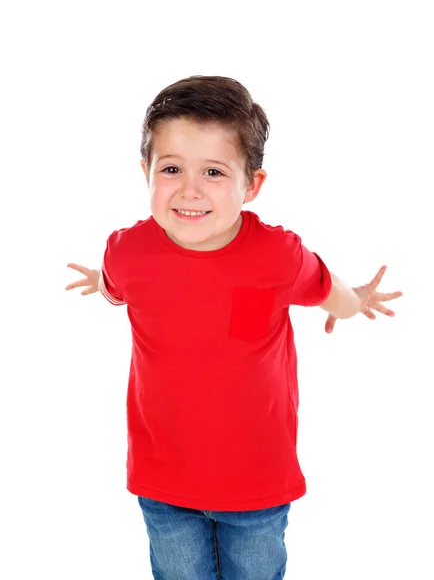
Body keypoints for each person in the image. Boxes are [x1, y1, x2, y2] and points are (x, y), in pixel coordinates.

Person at [65, 75, 403, 580]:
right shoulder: (127, 251)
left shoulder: (278, 255)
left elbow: (327, 287)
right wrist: (103, 282)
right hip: (164, 480)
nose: (190, 190)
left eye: (214, 172)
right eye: (172, 168)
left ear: (253, 185)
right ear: (147, 173)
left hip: (257, 484)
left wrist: (355, 303)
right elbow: (117, 284)